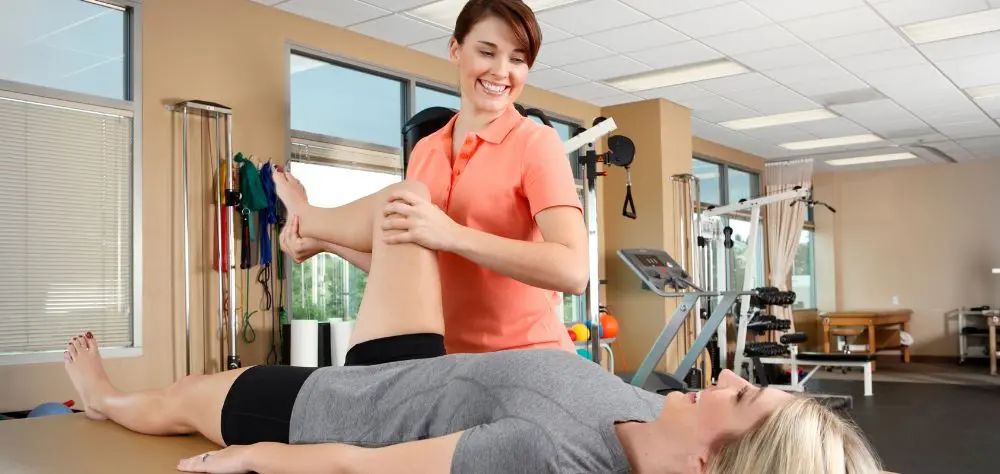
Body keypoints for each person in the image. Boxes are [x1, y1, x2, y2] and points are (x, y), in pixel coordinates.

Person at [62, 181, 883, 474]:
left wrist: (261, 456)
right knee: (406, 210)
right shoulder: (656, 411)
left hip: (338, 408)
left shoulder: (546, 458)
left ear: (708, 464)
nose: (730, 377)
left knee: (181, 397)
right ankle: (306, 232)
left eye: (741, 399)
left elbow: (358, 464)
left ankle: (102, 400)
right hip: (421, 367)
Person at [279, 0, 587, 355]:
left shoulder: (535, 143)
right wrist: (325, 243)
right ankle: (312, 220)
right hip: (450, 361)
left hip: (529, 355)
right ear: (456, 49)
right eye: (487, 52)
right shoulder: (426, 150)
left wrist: (452, 235)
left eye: (517, 60)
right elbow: (409, 261)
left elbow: (573, 271)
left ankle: (309, 215)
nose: (502, 71)